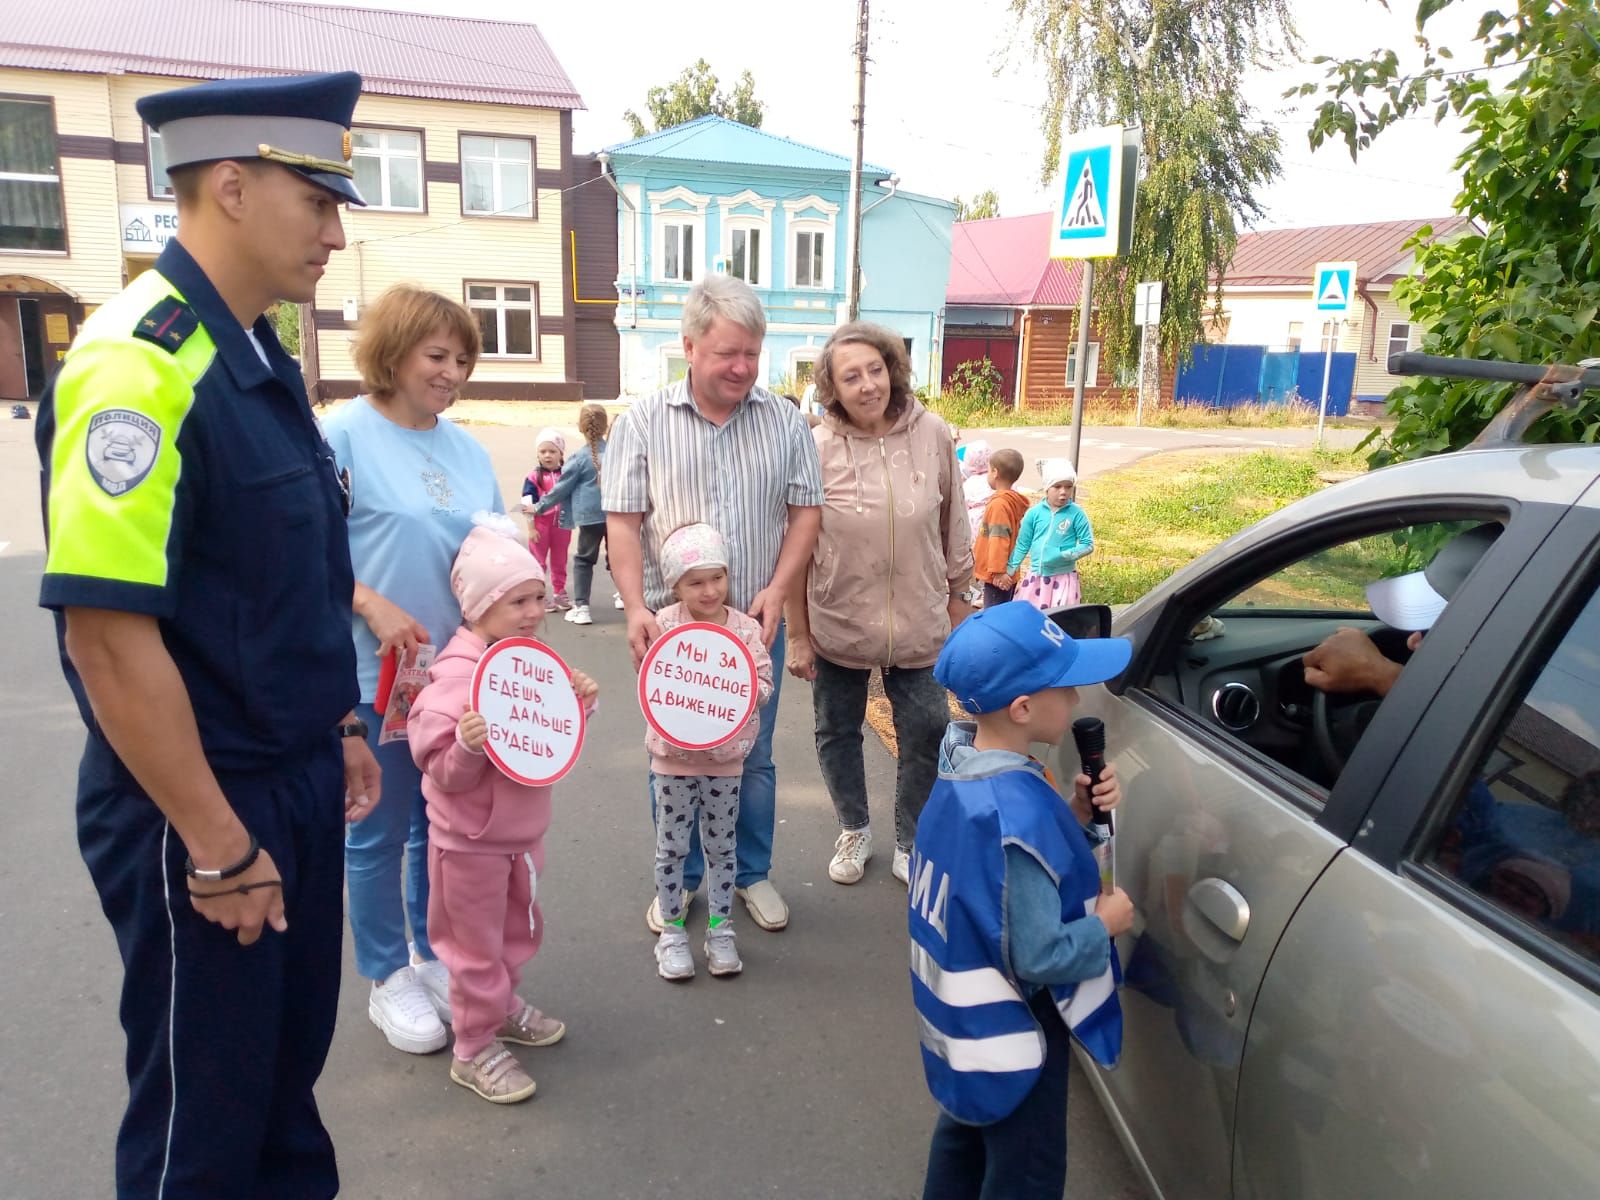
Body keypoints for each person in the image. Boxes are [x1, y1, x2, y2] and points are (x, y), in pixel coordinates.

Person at [35, 72, 377, 1198]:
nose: (335, 230)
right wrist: (218, 846)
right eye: (316, 201)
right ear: (230, 185)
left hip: (286, 780)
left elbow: (281, 580)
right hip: (203, 805)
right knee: (205, 1124)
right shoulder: (137, 363)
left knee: (281, 1088)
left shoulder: (254, 350)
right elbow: (108, 640)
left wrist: (342, 721)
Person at [605, 274, 824, 936]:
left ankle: (749, 874)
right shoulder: (643, 421)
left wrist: (778, 588)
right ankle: (682, 879)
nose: (742, 367)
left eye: (752, 353)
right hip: (672, 630)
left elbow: (805, 512)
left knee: (749, 755)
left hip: (751, 624)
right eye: (728, 353)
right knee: (672, 753)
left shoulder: (784, 420)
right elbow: (622, 520)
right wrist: (635, 605)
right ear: (690, 345)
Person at [323, 284, 502, 1058]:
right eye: (437, 356)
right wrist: (367, 601)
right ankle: (385, 973)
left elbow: (493, 548)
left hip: (452, 676)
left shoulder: (465, 449)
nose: (452, 372)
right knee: (378, 826)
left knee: (442, 825)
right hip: (372, 672)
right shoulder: (341, 437)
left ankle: (431, 954)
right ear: (393, 353)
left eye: (463, 359)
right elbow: (302, 553)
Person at [912, 601, 1135, 1200]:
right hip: (1019, 1034)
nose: (1079, 702)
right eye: (1067, 688)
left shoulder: (963, 769)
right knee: (1025, 1172)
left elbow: (1001, 873)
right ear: (1024, 708)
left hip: (965, 1029)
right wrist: (1104, 924)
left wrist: (1075, 817)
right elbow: (1040, 954)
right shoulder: (1014, 808)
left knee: (964, 1136)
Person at [406, 515, 598, 1103]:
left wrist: (578, 705)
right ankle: (472, 1047)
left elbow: (546, 745)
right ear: (476, 606)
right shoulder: (453, 678)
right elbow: (438, 766)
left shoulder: (528, 664)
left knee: (516, 935)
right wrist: (466, 745)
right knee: (474, 951)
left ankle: (500, 1008)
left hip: (519, 838)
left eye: (539, 595)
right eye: (518, 600)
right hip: (467, 845)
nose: (535, 610)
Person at [785, 321, 975, 888]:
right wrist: (798, 634)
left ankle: (911, 835)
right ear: (832, 388)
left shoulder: (933, 433)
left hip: (920, 619)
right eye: (851, 376)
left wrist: (961, 599)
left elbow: (955, 523)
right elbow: (793, 547)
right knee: (836, 729)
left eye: (875, 369)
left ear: (892, 369)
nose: (868, 385)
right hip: (838, 621)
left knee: (928, 728)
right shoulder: (814, 447)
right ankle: (854, 826)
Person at [647, 524, 775, 981]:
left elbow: (763, 681)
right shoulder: (664, 624)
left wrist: (742, 690)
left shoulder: (744, 629)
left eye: (716, 578)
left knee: (723, 847)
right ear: (675, 586)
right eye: (694, 581)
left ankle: (722, 931)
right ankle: (673, 933)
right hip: (672, 761)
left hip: (726, 762)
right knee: (672, 848)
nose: (708, 590)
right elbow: (654, 682)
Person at [529, 404, 609, 627]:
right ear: (605, 426)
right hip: (616, 514)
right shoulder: (616, 452)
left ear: (580, 428)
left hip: (590, 517)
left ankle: (582, 607)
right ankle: (625, 597)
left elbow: (560, 489)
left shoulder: (579, 458)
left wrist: (539, 507)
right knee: (618, 559)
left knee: (584, 560)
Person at [1004, 457, 1093, 612]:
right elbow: (1023, 544)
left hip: (1064, 579)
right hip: (1036, 579)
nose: (1063, 492)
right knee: (1031, 617)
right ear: (1046, 487)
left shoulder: (1076, 514)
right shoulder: (1034, 514)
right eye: (1057, 486)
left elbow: (1088, 544)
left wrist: (1065, 555)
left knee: (1061, 619)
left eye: (1068, 486)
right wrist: (1010, 570)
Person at [522, 428, 573, 611]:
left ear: (561, 453)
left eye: (552, 451)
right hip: (540, 525)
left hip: (562, 524)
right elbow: (527, 502)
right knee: (538, 561)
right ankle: (539, 596)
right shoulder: (534, 477)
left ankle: (559, 592)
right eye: (543, 451)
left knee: (560, 560)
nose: (547, 455)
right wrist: (531, 528)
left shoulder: (567, 475)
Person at [973, 448, 1030, 609]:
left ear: (995, 472)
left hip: (998, 577)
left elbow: (999, 539)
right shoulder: (1009, 501)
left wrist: (998, 571)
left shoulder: (999, 505)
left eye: (988, 470)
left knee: (994, 616)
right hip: (1001, 574)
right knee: (1000, 611)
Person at [957, 439, 994, 539]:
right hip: (997, 520)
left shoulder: (968, 484)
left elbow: (962, 506)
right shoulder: (997, 478)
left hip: (976, 525)